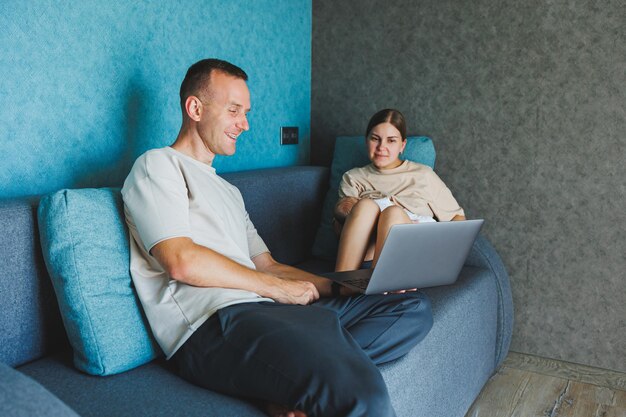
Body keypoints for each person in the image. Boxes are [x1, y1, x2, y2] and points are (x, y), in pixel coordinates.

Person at [121, 59, 433, 417]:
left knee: (411, 307)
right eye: (234, 110)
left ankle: (289, 385)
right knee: (366, 395)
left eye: (246, 112)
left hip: (266, 312)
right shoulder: (158, 165)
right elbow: (180, 260)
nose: (245, 123)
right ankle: (312, 377)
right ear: (195, 108)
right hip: (213, 324)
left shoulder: (228, 191)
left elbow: (267, 264)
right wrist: (275, 289)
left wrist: (346, 287)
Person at [333, 109, 466, 272]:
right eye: (375, 139)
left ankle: (381, 280)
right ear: (366, 141)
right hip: (364, 255)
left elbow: (457, 218)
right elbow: (341, 221)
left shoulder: (423, 175)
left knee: (393, 213)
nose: (382, 147)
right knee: (367, 206)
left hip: (412, 249)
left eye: (391, 141)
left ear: (402, 145)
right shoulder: (353, 177)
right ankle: (343, 283)